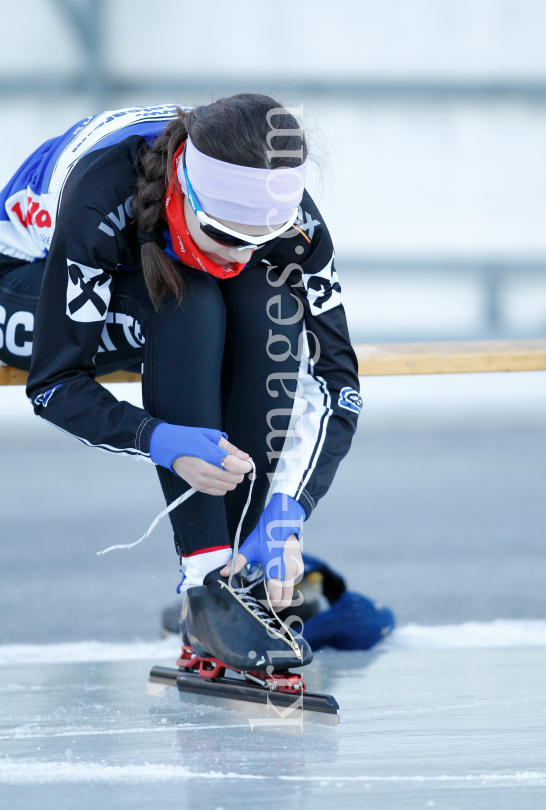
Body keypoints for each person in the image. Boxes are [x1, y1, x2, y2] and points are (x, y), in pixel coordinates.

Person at [0, 95, 362, 668]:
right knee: (190, 303)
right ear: (184, 190)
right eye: (223, 232)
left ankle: (239, 573)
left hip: (143, 258)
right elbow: (53, 381)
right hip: (24, 276)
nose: (240, 253)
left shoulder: (292, 217)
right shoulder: (104, 195)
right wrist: (157, 438)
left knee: (269, 304)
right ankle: (205, 575)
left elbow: (336, 380)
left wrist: (292, 506)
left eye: (260, 241)